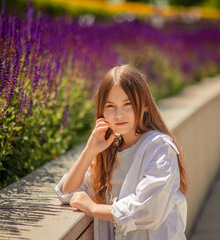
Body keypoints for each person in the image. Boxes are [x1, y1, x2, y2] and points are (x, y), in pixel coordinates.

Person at [54, 64, 188, 240]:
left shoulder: (159, 148)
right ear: (101, 111)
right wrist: (89, 151)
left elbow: (148, 210)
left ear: (145, 105)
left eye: (128, 104)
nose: (119, 114)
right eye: (110, 106)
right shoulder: (111, 153)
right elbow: (67, 192)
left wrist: (93, 208)